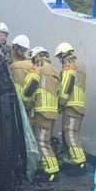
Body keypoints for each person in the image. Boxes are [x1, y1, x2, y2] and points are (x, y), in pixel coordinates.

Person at [21, 46, 61, 181]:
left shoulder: (38, 67)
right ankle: (49, 168)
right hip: (52, 111)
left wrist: (25, 102)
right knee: (46, 141)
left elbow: (30, 85)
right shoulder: (55, 70)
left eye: (33, 59)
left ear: (37, 57)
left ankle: (51, 172)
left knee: (42, 142)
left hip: (42, 110)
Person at [55, 42, 87, 172]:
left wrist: (60, 102)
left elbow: (67, 85)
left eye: (59, 58)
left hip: (71, 105)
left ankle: (79, 163)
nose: (59, 61)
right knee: (72, 134)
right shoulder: (79, 66)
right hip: (78, 106)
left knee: (70, 135)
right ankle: (71, 161)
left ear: (64, 54)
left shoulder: (69, 66)